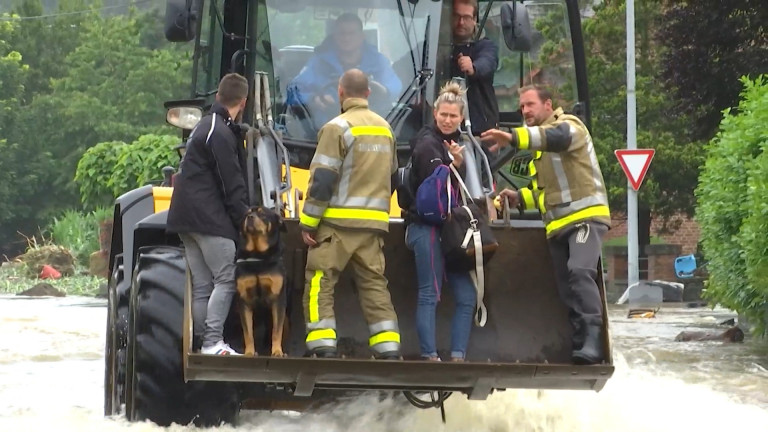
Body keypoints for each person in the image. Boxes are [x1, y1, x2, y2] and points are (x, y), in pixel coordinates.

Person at [481, 85, 611, 365]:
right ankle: (578, 343)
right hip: (557, 226)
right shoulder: (538, 151)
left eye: (530, 105)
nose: (524, 111)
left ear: (548, 104)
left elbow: (555, 138)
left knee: (579, 272)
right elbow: (545, 193)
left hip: (585, 218)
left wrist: (513, 137)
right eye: (521, 107)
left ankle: (594, 341)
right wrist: (518, 198)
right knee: (565, 288)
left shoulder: (570, 126)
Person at [299, 68, 401, 360]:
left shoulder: (336, 128)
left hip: (336, 225)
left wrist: (308, 222)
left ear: (340, 93)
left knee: (320, 281)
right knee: (374, 285)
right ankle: (388, 347)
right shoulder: (386, 129)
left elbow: (322, 180)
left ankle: (322, 345)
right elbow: (392, 176)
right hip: (373, 226)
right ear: (368, 94)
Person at [167, 73, 250, 356]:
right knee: (226, 279)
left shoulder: (205, 125)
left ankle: (204, 343)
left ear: (217, 96)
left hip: (185, 218)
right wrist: (244, 222)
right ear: (243, 101)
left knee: (203, 285)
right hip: (208, 219)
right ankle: (213, 341)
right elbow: (232, 183)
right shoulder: (220, 132)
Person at [404, 82, 476, 362]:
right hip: (425, 227)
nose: (447, 120)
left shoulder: (459, 144)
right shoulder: (426, 144)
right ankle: (429, 356)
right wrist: (454, 165)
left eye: (453, 116)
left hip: (450, 229)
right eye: (443, 115)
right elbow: (436, 188)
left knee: (467, 296)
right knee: (429, 293)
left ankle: (457, 356)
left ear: (461, 118)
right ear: (435, 114)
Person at [286, 13, 402, 129]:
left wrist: (384, 90)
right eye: (342, 33)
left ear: (362, 36)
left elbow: (396, 86)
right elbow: (293, 91)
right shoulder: (318, 63)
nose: (346, 38)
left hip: (372, 131)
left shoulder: (378, 62)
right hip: (325, 131)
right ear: (335, 36)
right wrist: (313, 100)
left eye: (351, 33)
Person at [451, 0, 499, 136]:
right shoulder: (435, 47)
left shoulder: (485, 46)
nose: (461, 22)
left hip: (480, 130)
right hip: (441, 126)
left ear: (475, 20)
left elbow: (488, 62)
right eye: (456, 16)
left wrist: (473, 67)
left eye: (466, 17)